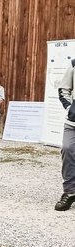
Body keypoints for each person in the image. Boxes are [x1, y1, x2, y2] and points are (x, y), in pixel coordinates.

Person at [55, 60, 75, 211]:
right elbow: (63, 89)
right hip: (72, 123)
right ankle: (69, 192)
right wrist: (70, 108)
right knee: (67, 149)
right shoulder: (74, 65)